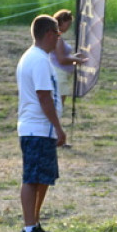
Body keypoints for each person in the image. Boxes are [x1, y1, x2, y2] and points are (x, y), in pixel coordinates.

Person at [16, 15, 66, 232]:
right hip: (37, 128)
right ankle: (28, 228)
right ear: (48, 34)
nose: (59, 38)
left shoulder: (38, 57)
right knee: (32, 177)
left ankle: (34, 223)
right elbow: (44, 96)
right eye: (58, 33)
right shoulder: (38, 60)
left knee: (42, 178)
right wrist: (58, 127)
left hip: (40, 129)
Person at [49, 9, 88, 147]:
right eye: (68, 24)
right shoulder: (58, 38)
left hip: (63, 75)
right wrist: (76, 61)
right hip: (60, 75)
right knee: (58, 107)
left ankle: (55, 136)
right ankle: (55, 136)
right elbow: (61, 59)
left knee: (58, 106)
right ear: (62, 22)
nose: (69, 27)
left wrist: (74, 57)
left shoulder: (58, 37)